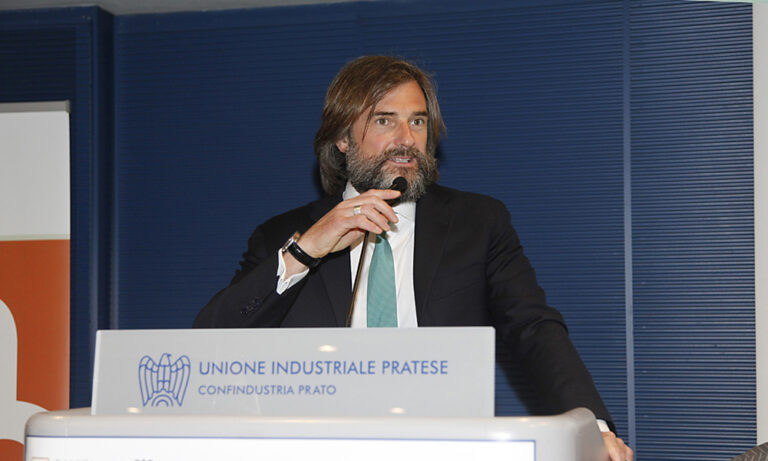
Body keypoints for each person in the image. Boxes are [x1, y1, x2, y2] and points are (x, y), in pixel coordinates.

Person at [194, 55, 633, 461]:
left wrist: (591, 427)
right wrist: (306, 251)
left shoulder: (478, 223)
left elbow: (534, 328)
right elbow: (209, 345)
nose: (407, 140)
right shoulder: (283, 235)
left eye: (418, 122)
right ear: (343, 138)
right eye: (385, 120)